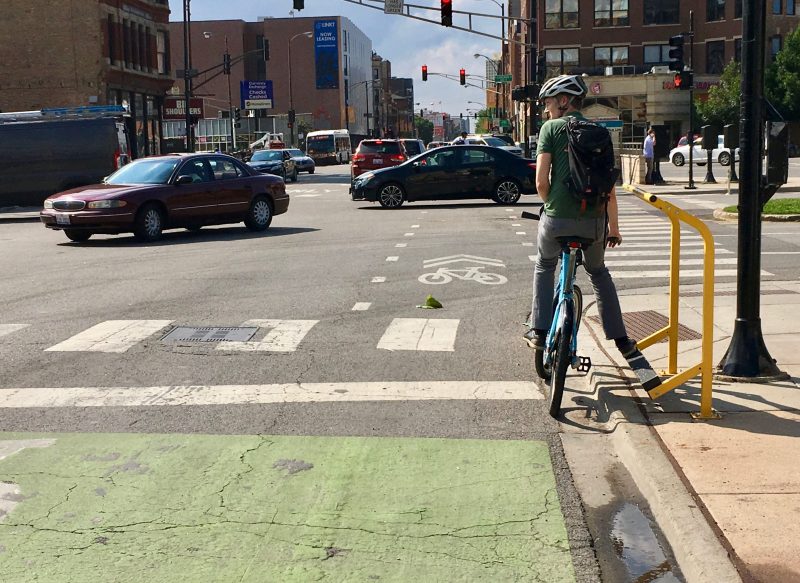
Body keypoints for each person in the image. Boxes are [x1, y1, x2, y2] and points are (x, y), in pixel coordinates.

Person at [523, 74, 637, 358]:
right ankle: (621, 339)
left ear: (564, 101)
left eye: (548, 102)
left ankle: (539, 330)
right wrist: (614, 229)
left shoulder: (551, 128)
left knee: (544, 265)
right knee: (598, 274)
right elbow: (608, 189)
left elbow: (540, 182)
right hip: (594, 222)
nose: (546, 109)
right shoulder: (600, 133)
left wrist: (553, 206)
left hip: (556, 219)